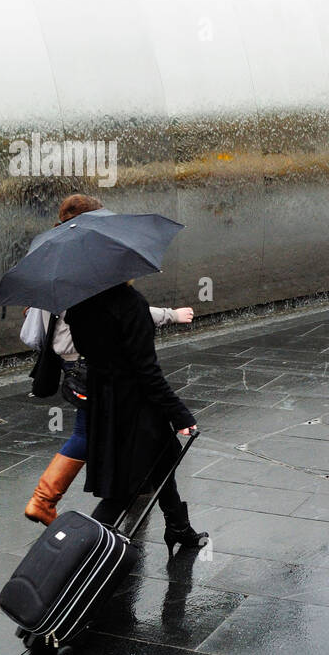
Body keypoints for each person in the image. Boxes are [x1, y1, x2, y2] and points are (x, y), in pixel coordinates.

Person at [23, 194, 195, 526]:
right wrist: (170, 315)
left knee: (107, 439)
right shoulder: (106, 292)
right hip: (94, 372)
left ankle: (177, 526)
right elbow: (136, 337)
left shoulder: (59, 269)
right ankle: (45, 501)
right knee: (90, 436)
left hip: (82, 366)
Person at [63, 280, 207, 555]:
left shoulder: (80, 305)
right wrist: (180, 414)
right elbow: (148, 372)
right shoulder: (131, 304)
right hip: (135, 408)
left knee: (162, 460)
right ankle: (81, 553)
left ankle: (178, 527)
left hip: (104, 404)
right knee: (123, 490)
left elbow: (87, 350)